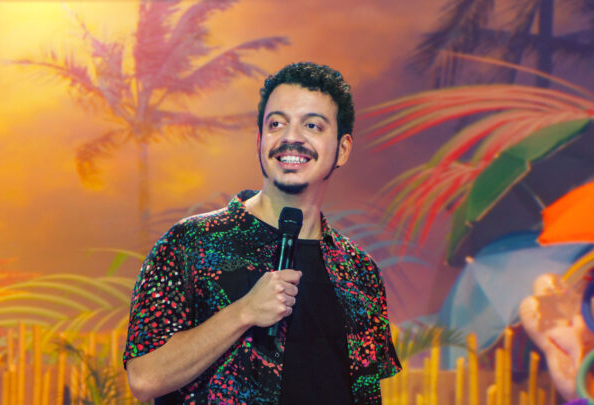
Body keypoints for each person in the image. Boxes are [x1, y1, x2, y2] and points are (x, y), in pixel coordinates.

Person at [123, 62, 401, 404]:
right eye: (276, 124)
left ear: (342, 149)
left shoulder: (360, 271)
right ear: (259, 141)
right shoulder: (191, 243)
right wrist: (244, 312)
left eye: (312, 125)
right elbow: (144, 378)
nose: (291, 137)